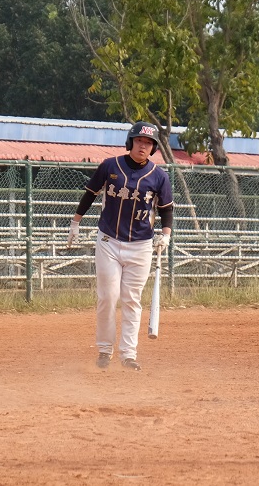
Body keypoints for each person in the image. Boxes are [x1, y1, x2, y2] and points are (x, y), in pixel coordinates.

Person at [68, 122, 173, 372]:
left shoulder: (159, 177)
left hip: (141, 245)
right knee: (108, 297)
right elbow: (90, 194)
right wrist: (75, 222)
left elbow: (166, 210)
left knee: (131, 300)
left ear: (153, 148)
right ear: (130, 143)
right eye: (139, 141)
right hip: (109, 241)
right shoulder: (109, 166)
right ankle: (105, 350)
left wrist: (166, 235)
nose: (143, 146)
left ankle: (128, 354)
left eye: (148, 143)